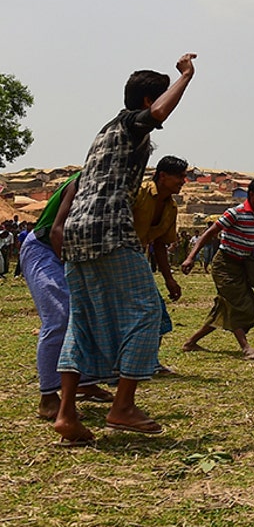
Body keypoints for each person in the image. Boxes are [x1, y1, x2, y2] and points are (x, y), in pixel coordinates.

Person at [53, 53, 197, 446]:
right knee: (147, 311)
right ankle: (123, 407)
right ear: (149, 100)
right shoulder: (130, 123)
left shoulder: (103, 132)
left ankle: (67, 415)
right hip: (110, 231)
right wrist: (186, 77)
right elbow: (156, 115)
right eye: (160, 95)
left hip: (77, 233)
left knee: (80, 320)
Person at [22, 172, 114, 421]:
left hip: (73, 252)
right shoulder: (83, 180)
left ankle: (84, 381)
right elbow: (56, 232)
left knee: (87, 313)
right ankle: (48, 397)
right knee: (60, 317)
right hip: (44, 249)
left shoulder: (117, 184)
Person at [180, 179, 254, 360]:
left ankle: (190, 342)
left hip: (242, 266)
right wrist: (190, 257)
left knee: (240, 308)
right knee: (237, 304)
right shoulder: (235, 213)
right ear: (252, 194)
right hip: (224, 265)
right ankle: (246, 348)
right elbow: (209, 234)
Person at [131, 155, 190, 376]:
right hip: (116, 259)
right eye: (180, 177)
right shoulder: (139, 193)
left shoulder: (170, 208)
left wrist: (169, 279)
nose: (183, 181)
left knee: (156, 312)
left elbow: (160, 244)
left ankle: (149, 363)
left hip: (138, 261)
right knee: (143, 311)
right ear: (163, 176)